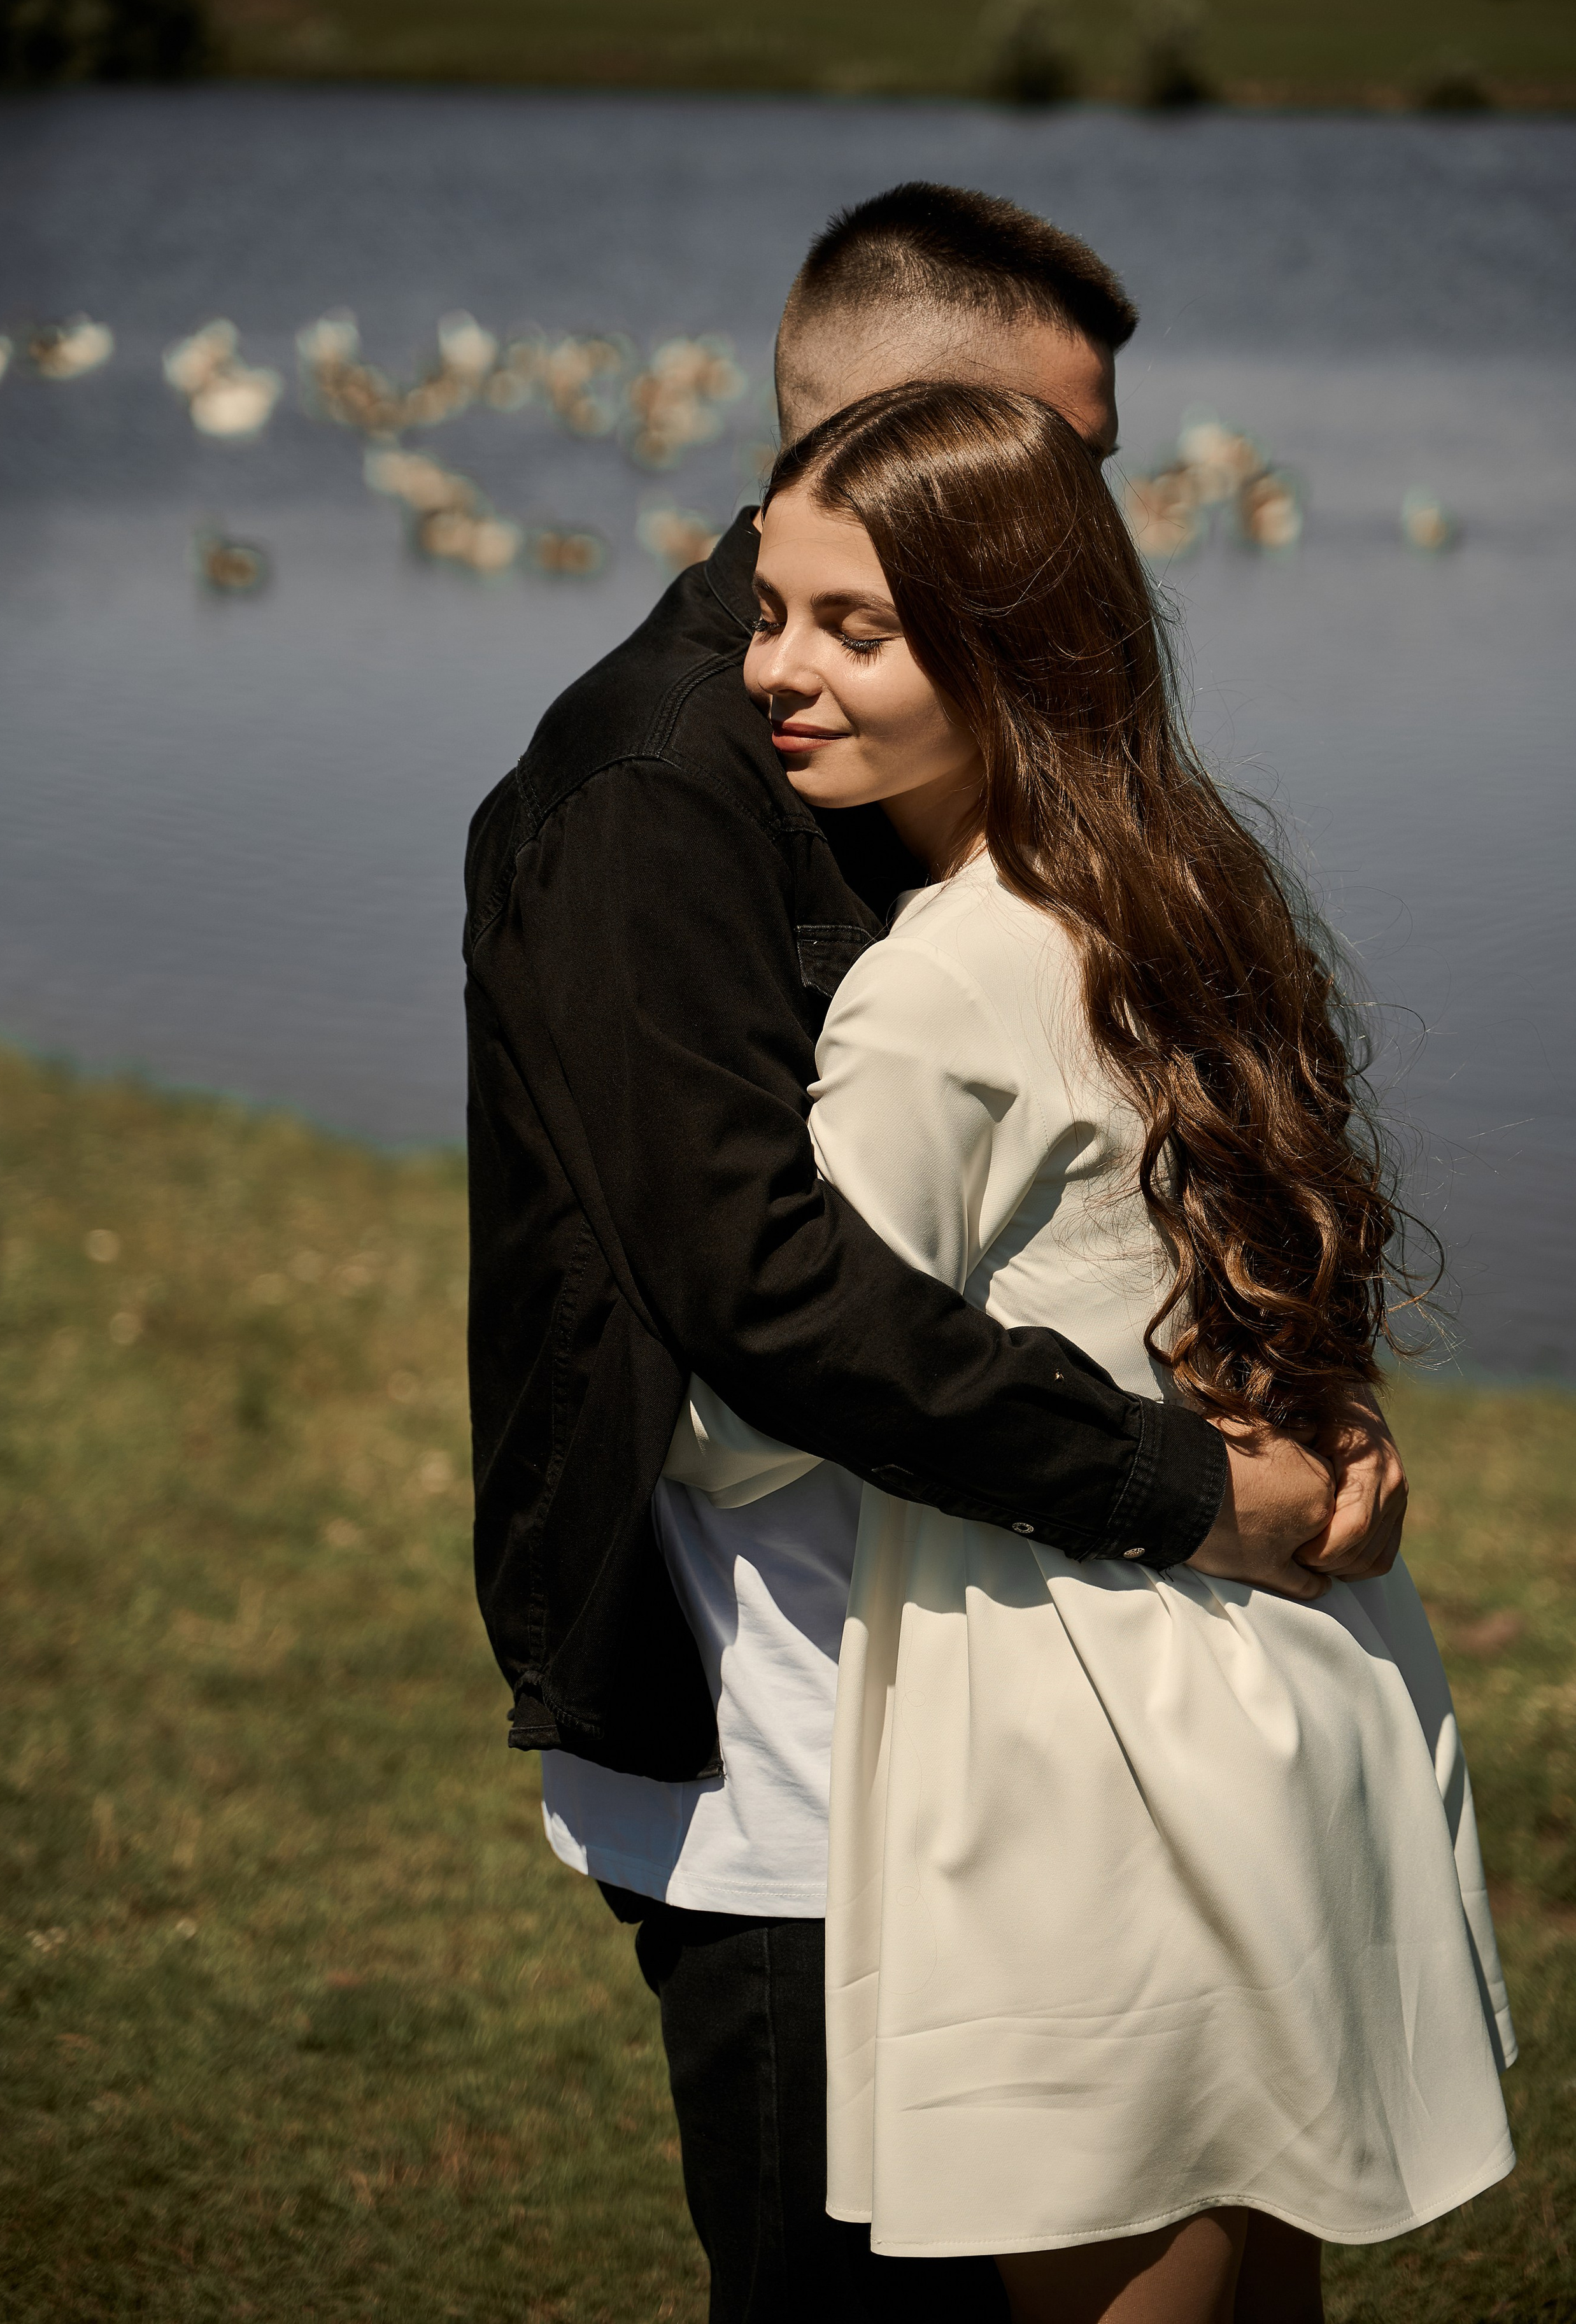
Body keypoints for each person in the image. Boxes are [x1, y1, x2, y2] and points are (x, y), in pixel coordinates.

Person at [462, 186, 1407, 2322]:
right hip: (790, 1746)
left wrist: (1307, 1406)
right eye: (1064, 454)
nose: (1100, 510)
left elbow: (1141, 1166)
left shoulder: (1016, 784)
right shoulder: (652, 793)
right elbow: (760, 1307)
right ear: (906, 442)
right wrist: (1197, 1495)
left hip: (1047, 1690)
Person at [672, 379, 1514, 2324]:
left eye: (852, 629)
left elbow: (763, 1417)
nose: (775, 670)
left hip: (1082, 1732)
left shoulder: (936, 980)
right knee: (1256, 2262)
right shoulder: (1184, 884)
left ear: (1014, 643)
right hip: (1294, 1680)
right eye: (771, 611)